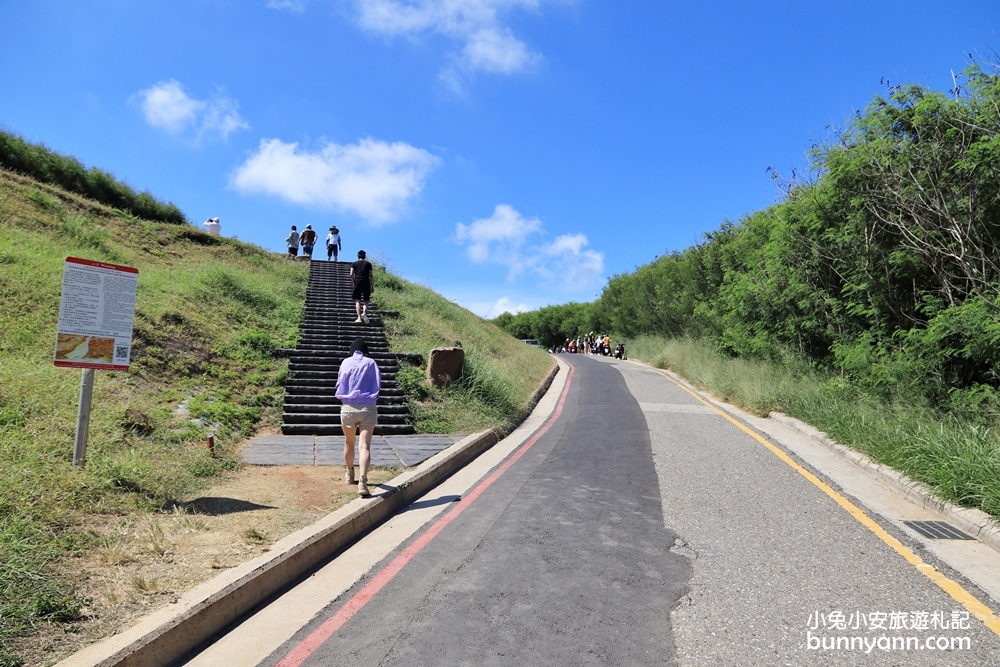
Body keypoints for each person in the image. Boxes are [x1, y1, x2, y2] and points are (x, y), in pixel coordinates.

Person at [336, 337, 381, 496]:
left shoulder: (345, 362)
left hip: (348, 406)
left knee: (349, 442)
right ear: (366, 351)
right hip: (368, 406)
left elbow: (340, 382)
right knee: (365, 446)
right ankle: (363, 481)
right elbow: (378, 383)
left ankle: (349, 474)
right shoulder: (371, 363)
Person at [350, 249, 374, 324]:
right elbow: (370, 275)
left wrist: (353, 282)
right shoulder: (368, 264)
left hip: (357, 281)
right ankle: (364, 313)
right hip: (366, 282)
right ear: (365, 256)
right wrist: (372, 286)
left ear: (358, 256)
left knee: (358, 300)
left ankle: (359, 318)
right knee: (366, 300)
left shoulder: (354, 264)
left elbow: (351, 274)